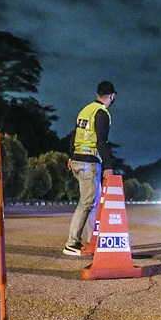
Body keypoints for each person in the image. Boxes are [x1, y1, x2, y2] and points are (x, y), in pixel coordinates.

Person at [64, 81, 116, 256]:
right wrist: (108, 166)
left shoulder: (85, 111)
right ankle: (72, 243)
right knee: (86, 203)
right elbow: (101, 141)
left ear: (97, 93)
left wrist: (71, 155)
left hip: (78, 160)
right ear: (112, 96)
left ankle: (92, 241)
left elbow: (74, 135)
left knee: (92, 203)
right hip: (89, 162)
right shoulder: (101, 113)